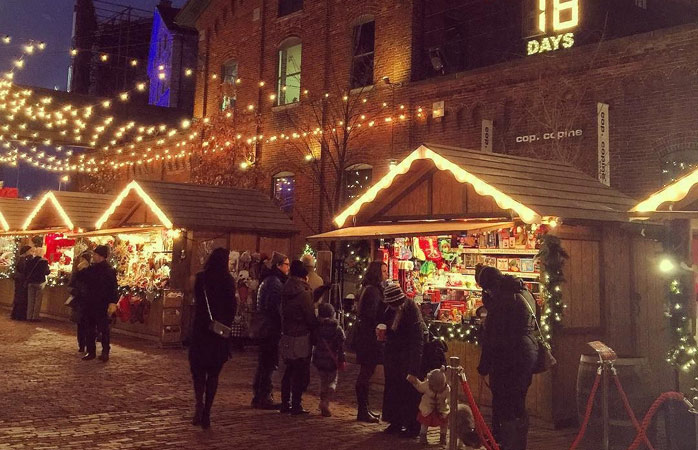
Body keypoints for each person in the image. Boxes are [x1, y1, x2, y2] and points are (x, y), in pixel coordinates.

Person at [476, 265, 538, 450]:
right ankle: (518, 445)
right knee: (518, 401)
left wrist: (483, 367)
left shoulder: (503, 300)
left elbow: (492, 337)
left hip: (509, 356)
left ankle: (507, 444)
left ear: (490, 286)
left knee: (505, 404)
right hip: (528, 353)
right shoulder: (524, 292)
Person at [188, 247, 236, 429]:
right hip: (218, 333)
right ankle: (207, 411)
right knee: (214, 374)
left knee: (198, 372)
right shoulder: (228, 280)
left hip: (201, 330)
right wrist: (225, 324)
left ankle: (198, 404)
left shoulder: (201, 278)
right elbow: (232, 307)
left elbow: (196, 301)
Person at [380, 283, 425, 438]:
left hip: (407, 357)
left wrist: (413, 368)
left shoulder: (411, 311)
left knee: (409, 393)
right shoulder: (391, 310)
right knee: (394, 389)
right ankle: (396, 421)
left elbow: (417, 340)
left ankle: (412, 426)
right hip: (394, 357)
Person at [251, 252, 289, 409]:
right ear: (279, 265)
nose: (288, 268)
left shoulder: (269, 280)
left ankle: (260, 394)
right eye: (286, 264)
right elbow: (274, 307)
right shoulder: (275, 282)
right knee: (268, 362)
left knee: (264, 362)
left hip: (265, 326)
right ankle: (264, 395)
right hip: (270, 328)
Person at [279, 260, 317, 415]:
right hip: (301, 334)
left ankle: (285, 403)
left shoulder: (285, 289)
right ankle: (296, 403)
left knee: (288, 370)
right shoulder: (303, 293)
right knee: (300, 370)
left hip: (287, 333)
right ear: (304, 276)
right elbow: (309, 315)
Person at [353, 260, 388, 423]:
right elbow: (372, 316)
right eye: (384, 270)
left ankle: (364, 408)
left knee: (366, 373)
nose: (386, 273)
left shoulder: (368, 289)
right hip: (368, 339)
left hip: (365, 337)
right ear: (377, 272)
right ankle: (362, 410)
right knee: (366, 374)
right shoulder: (373, 291)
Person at [82, 245, 118, 362]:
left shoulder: (108, 270)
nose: (93, 257)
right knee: (92, 328)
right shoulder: (93, 268)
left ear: (101, 256)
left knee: (102, 329)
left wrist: (112, 302)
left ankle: (103, 351)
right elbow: (83, 280)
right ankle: (94, 351)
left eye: (95, 255)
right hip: (92, 302)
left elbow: (113, 288)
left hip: (101, 303)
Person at [312, 302, 346, 417]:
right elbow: (341, 345)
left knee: (323, 381)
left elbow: (314, 341)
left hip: (319, 359)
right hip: (332, 360)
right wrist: (342, 359)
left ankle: (322, 400)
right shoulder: (337, 329)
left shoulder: (317, 328)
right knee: (332, 381)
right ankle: (326, 401)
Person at [407, 367, 450, 445]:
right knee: (425, 423)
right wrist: (415, 381)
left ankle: (443, 436)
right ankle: (423, 436)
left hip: (441, 409)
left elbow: (450, 397)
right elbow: (420, 387)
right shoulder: (427, 385)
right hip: (427, 408)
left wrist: (451, 404)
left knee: (444, 423)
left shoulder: (446, 389)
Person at [68, 251, 91, 353]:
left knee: (84, 324)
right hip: (82, 301)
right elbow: (71, 285)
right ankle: (83, 344)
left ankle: (84, 344)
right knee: (82, 324)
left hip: (86, 301)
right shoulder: (79, 272)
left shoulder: (91, 272)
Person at [25, 246, 50, 322]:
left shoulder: (30, 260)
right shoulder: (44, 261)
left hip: (31, 282)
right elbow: (46, 272)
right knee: (38, 300)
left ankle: (29, 316)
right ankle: (35, 317)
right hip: (39, 282)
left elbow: (26, 270)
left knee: (30, 300)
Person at [10, 245, 32, 321]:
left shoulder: (19, 259)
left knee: (18, 297)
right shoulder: (23, 260)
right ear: (26, 251)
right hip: (21, 281)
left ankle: (15, 314)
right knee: (21, 297)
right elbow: (24, 270)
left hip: (18, 280)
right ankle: (19, 315)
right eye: (29, 251)